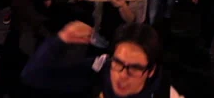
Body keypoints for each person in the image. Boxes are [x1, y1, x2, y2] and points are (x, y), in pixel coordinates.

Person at [22, 22, 162, 97]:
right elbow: (33, 76)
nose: (122, 75)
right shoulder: (101, 70)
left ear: (151, 71)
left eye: (135, 68)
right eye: (118, 62)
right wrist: (60, 40)